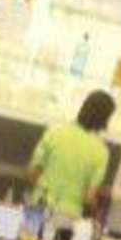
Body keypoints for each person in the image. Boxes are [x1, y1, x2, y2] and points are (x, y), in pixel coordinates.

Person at [28, 91, 115, 219]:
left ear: (83, 107)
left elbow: (32, 173)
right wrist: (96, 210)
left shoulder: (54, 132)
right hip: (68, 216)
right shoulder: (101, 152)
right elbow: (88, 197)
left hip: (38, 208)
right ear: (106, 119)